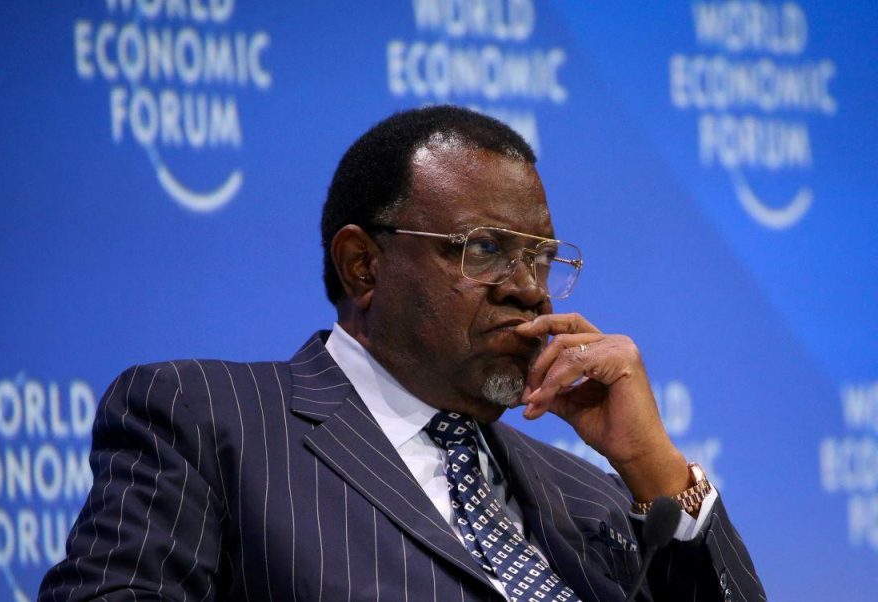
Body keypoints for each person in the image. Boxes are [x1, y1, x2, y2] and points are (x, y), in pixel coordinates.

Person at [39, 105, 765, 601]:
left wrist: (653, 467)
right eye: (485, 249)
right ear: (363, 266)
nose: (529, 290)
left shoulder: (592, 499)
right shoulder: (210, 422)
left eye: (541, 257)